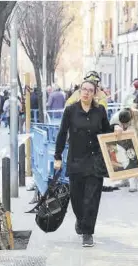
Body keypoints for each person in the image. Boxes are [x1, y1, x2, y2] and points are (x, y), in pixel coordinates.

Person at [54, 79, 113, 247]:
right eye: (84, 89)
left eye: (90, 90)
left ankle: (88, 232)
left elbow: (106, 131)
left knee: (92, 199)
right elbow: (62, 133)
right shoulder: (71, 111)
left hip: (95, 161)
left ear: (94, 93)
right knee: (77, 198)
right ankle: (81, 221)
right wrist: (57, 156)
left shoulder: (100, 111)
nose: (86, 92)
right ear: (80, 92)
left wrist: (116, 130)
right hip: (76, 160)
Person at [110, 108, 138, 192]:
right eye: (122, 124)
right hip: (127, 139)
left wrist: (136, 147)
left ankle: (134, 184)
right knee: (123, 159)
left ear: (131, 119)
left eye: (126, 124)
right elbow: (111, 128)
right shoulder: (115, 117)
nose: (124, 126)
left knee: (137, 161)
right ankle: (125, 181)